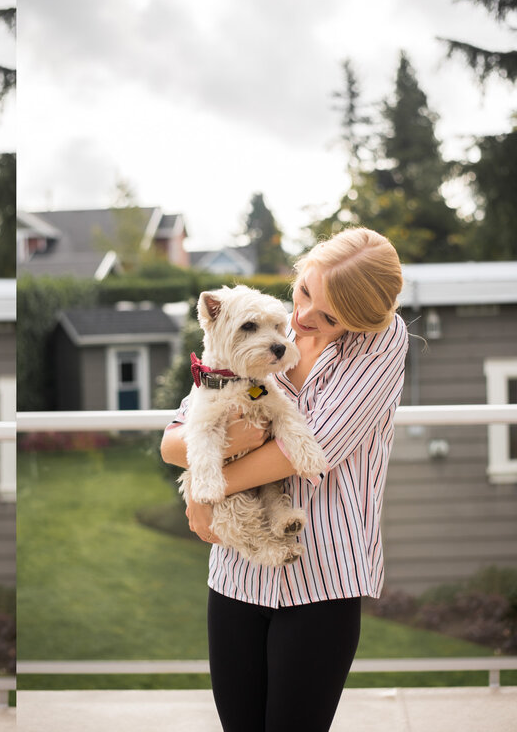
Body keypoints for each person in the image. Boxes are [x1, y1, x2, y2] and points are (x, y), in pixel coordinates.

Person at [160, 227, 408, 732]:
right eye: (304, 292)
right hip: (235, 572)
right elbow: (172, 440)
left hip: (323, 574)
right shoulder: (261, 322)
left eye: (329, 317)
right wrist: (206, 470)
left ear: (364, 318)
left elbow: (313, 451)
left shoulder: (382, 342)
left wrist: (208, 490)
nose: (301, 320)